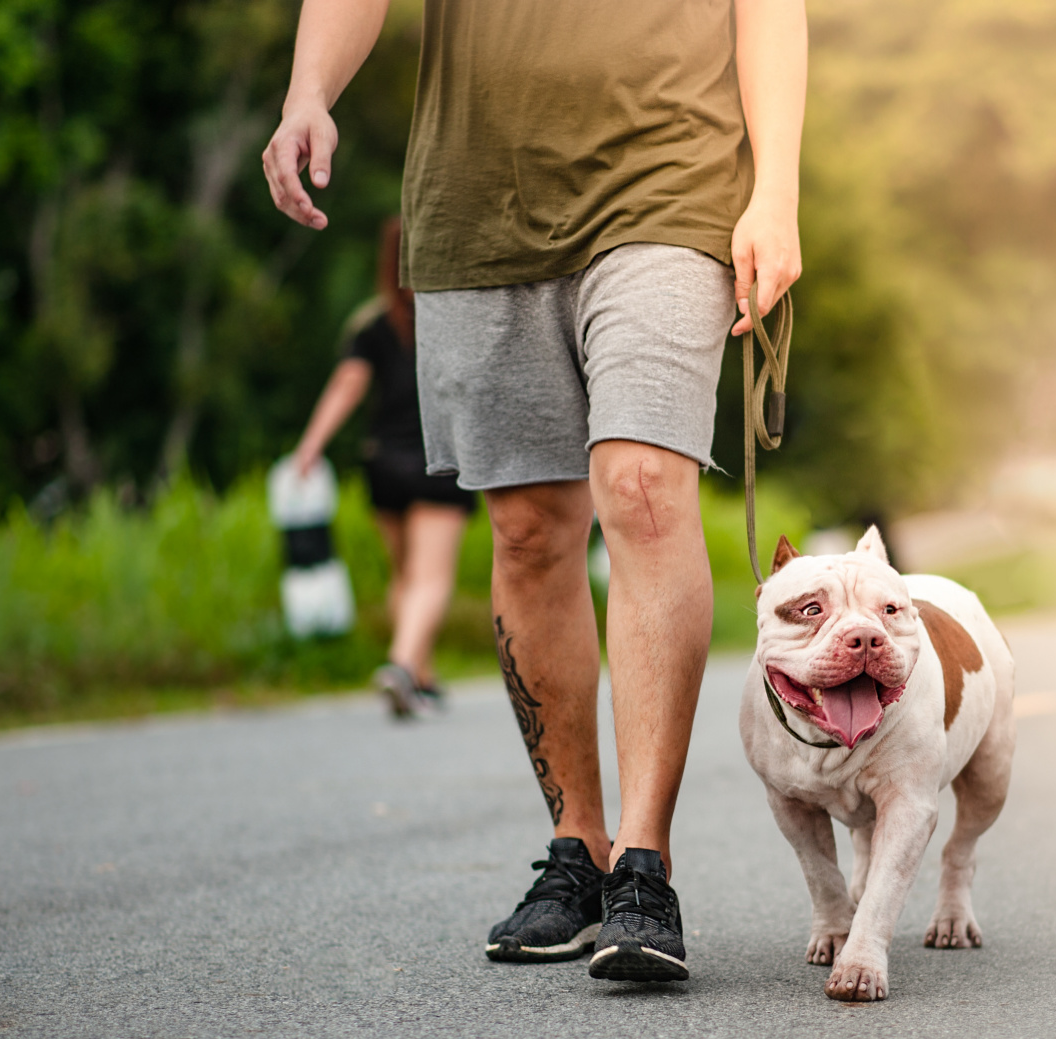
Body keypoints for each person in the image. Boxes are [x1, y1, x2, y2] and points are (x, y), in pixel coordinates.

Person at [264, 0, 806, 981]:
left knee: (640, 485)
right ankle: (579, 846)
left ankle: (644, 864)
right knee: (525, 530)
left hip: (666, 181)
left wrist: (775, 189)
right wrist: (309, 91)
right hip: (478, 207)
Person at [291, 217, 477, 718]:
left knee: (405, 576)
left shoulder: (370, 324)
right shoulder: (457, 316)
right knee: (431, 579)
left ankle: (422, 676)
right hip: (441, 462)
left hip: (383, 463)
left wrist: (309, 448)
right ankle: (400, 665)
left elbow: (345, 386)